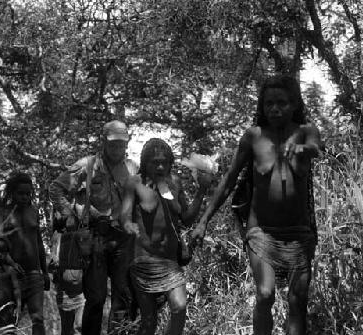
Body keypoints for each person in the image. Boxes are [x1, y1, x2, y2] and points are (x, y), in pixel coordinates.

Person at [191, 74, 322, 335]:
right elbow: (229, 180)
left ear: (294, 104)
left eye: (282, 102)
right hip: (262, 232)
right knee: (264, 293)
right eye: (269, 103)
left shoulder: (306, 132)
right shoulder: (254, 136)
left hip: (299, 235)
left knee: (298, 302)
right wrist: (203, 221)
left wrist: (301, 150)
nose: (275, 108)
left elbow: (315, 148)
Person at [50, 120, 138, 335]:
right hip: (96, 239)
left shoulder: (133, 168)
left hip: (124, 240)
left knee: (122, 295)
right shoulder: (87, 165)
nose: (118, 148)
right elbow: (56, 188)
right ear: (103, 142)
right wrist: (69, 215)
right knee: (96, 298)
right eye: (113, 143)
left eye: (121, 143)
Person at [121, 138, 211, 335]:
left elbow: (186, 219)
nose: (160, 166)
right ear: (145, 163)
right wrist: (128, 225)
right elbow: (124, 215)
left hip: (169, 262)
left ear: (171, 163)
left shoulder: (175, 183)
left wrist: (202, 190)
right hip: (143, 259)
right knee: (149, 321)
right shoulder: (134, 183)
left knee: (179, 307)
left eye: (164, 162)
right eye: (155, 162)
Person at [0, 172, 50, 335]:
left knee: (38, 318)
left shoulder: (33, 212)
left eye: (28, 194)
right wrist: (9, 262)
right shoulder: (1, 213)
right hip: (10, 275)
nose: (25, 197)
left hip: (34, 274)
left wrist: (44, 272)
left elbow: (38, 243)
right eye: (21, 193)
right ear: (12, 193)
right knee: (10, 320)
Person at [49, 216, 85, 335]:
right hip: (64, 292)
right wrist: (56, 264)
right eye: (67, 219)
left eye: (72, 219)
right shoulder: (58, 238)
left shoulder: (81, 237)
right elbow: (52, 264)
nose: (70, 221)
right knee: (66, 328)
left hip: (80, 293)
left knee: (79, 326)